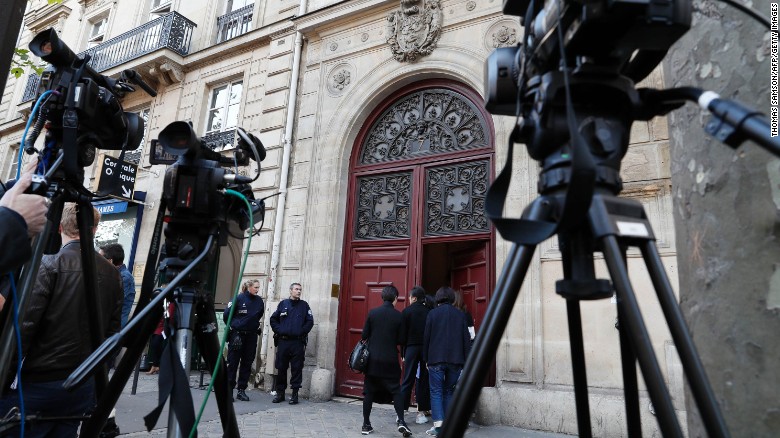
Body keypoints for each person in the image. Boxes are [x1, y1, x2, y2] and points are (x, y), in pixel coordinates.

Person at [0, 202, 123, 437]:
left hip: (41, 383)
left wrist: (5, 378)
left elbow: (23, 329)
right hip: (81, 383)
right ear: (94, 230)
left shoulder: (49, 264)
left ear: (58, 228)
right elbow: (112, 334)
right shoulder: (112, 274)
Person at [360, 285, 411, 437]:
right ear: (395, 298)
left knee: (368, 392)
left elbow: (364, 335)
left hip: (373, 360)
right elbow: (402, 339)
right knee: (396, 391)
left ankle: (366, 424)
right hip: (390, 360)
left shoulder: (373, 313)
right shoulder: (399, 316)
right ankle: (401, 421)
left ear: (382, 297)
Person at [423, 286, 471, 436]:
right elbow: (466, 340)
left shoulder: (432, 314)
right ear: (452, 298)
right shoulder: (460, 315)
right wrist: (466, 360)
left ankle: (439, 426)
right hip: (456, 360)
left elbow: (427, 338)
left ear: (438, 298)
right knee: (448, 391)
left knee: (436, 391)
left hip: (435, 359)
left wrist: (426, 358)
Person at [269, 282, 313, 405]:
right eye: (296, 289)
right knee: (281, 368)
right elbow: (273, 319)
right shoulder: (283, 304)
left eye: (300, 289)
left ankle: (294, 395)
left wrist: (302, 331)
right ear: (290, 291)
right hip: (283, 341)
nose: (298, 291)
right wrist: (279, 330)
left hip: (297, 342)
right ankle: (280, 393)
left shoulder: (304, 306)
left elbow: (309, 321)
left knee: (296, 368)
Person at [223, 279, 265, 401]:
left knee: (247, 363)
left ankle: (241, 390)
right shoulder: (238, 298)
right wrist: (234, 328)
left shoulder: (259, 301)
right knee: (233, 363)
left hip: (251, 336)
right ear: (248, 287)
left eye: (258, 287)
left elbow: (258, 315)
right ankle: (229, 390)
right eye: (255, 287)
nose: (257, 290)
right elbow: (227, 315)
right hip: (238, 335)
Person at [400, 286, 432, 425]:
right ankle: (421, 413)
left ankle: (401, 412)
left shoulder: (406, 312)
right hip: (425, 349)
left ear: (413, 298)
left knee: (407, 379)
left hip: (411, 348)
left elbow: (403, 335)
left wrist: (403, 353)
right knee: (424, 380)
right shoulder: (429, 312)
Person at [99, 243, 136, 328]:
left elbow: (109, 302)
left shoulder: (124, 277)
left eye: (100, 259)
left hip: (114, 327)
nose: (98, 262)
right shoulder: (112, 274)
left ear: (110, 261)